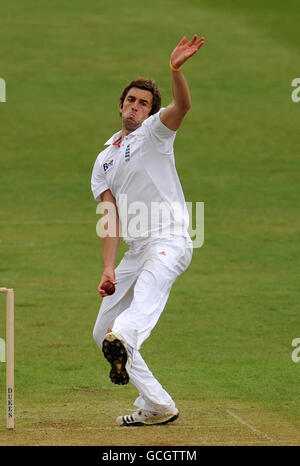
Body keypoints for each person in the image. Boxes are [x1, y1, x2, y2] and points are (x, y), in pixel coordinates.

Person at [91, 34, 205, 426]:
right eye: (130, 100)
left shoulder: (155, 133)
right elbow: (110, 215)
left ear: (150, 111)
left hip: (169, 239)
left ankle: (123, 336)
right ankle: (157, 405)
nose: (135, 107)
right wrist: (108, 268)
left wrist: (175, 70)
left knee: (127, 323)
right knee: (101, 333)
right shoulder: (104, 158)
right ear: (120, 105)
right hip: (135, 249)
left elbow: (183, 105)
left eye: (143, 103)